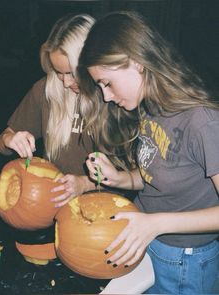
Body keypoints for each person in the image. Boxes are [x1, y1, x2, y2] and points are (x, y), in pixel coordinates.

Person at [78, 11, 219, 294]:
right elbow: (156, 176)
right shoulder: (150, 107)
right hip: (146, 239)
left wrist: (154, 224)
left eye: (107, 82)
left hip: (184, 261)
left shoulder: (202, 121)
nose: (106, 96)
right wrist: (119, 178)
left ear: (137, 62)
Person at [0, 14, 98, 207]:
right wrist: (10, 139)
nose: (66, 83)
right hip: (51, 204)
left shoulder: (112, 95)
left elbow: (132, 175)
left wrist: (85, 183)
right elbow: (2, 141)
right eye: (59, 73)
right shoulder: (44, 90)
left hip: (101, 209)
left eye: (72, 73)